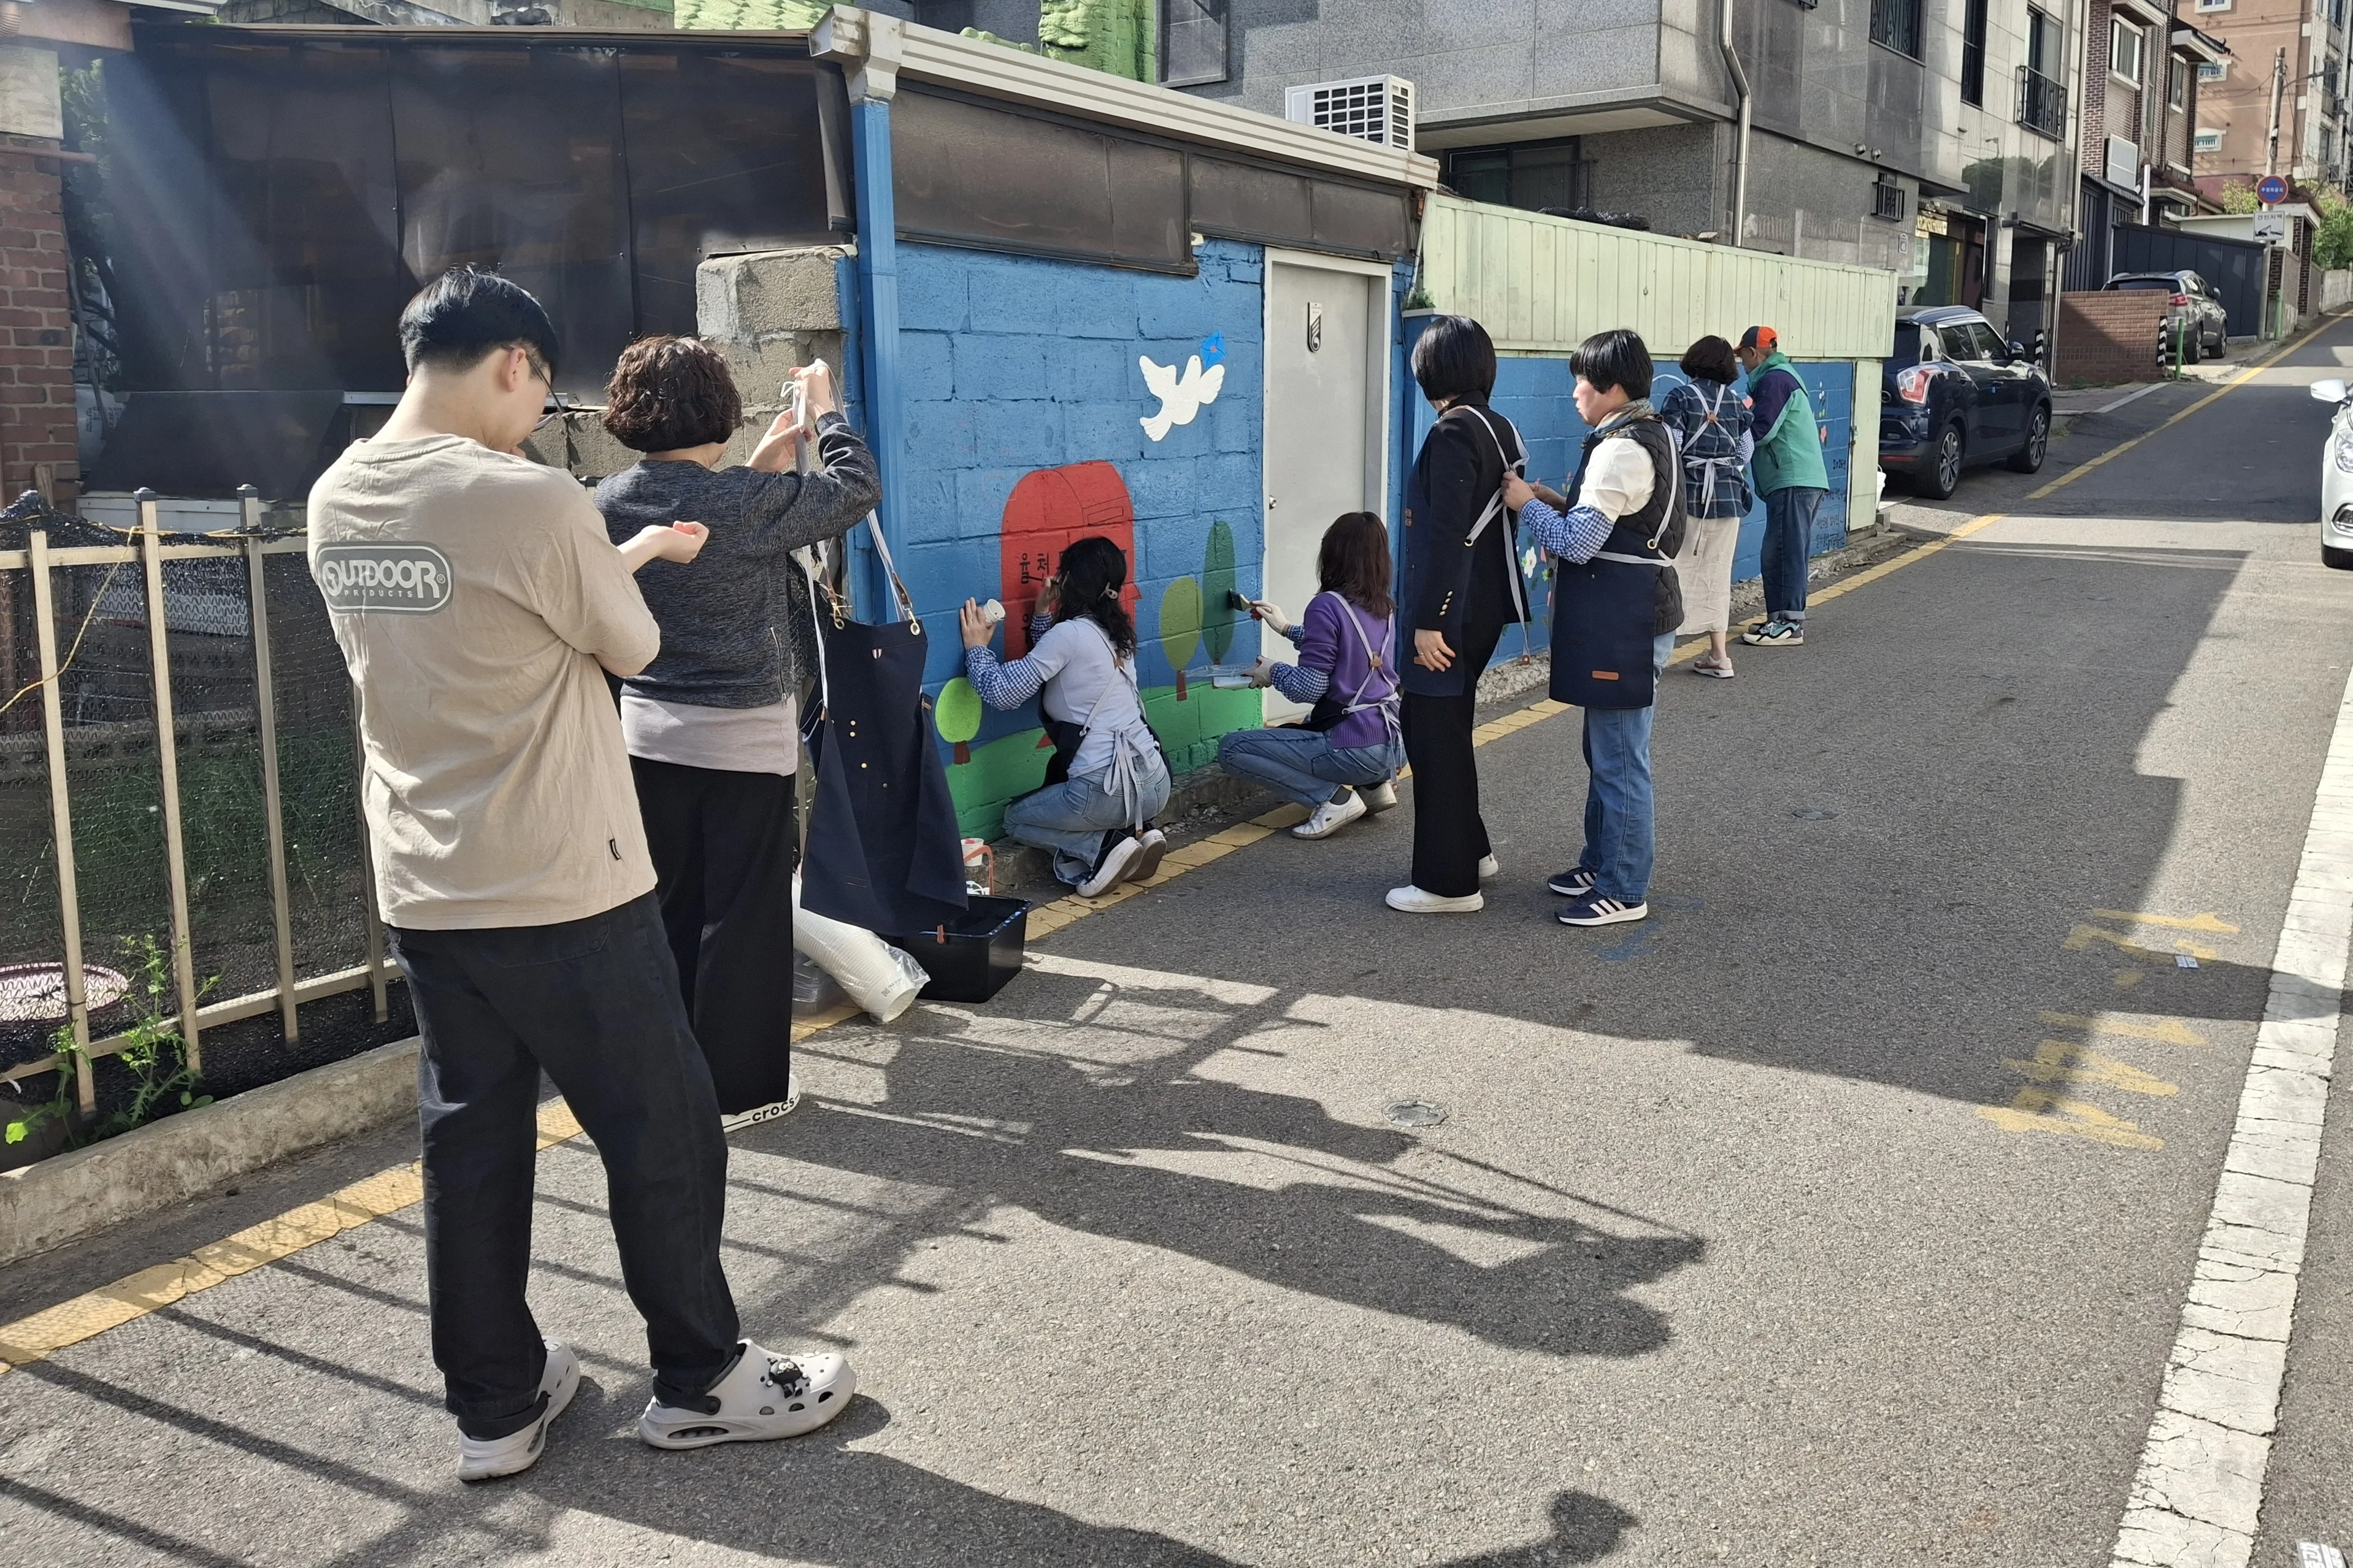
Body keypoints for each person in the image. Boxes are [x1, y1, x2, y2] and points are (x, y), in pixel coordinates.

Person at [307, 267, 856, 1484]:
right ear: (515, 363)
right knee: (664, 1126)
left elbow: (480, 626)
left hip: (427, 881)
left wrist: (641, 541)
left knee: (473, 1143)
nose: (538, 415)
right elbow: (633, 640)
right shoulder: (528, 499)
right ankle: (701, 1378)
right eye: (540, 390)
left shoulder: (337, 495)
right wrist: (640, 559)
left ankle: (495, 1405)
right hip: (560, 876)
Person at [593, 338, 879, 1133]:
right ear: (717, 413)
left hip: (647, 735)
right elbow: (856, 488)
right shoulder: (746, 506)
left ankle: (670, 1076)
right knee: (744, 919)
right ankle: (742, 1092)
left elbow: (699, 525)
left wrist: (756, 468)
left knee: (671, 908)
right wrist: (826, 411)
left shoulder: (604, 501)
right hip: (744, 742)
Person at [1503, 328, 1686, 928]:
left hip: (1624, 620)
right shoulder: (1651, 431)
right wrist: (1557, 502)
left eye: (1581, 380)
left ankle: (1624, 888)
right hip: (1632, 614)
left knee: (1619, 757)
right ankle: (1600, 862)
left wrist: (1526, 504)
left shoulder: (1620, 449)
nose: (1575, 391)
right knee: (1605, 749)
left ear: (1611, 387)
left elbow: (1578, 545)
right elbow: (1618, 523)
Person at [1390, 315, 1527, 914]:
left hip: (1450, 612)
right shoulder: (1499, 427)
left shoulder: (1452, 431)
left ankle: (1447, 884)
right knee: (1446, 730)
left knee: (1431, 735)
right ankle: (1472, 851)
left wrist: (1429, 621)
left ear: (1433, 370)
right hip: (1486, 607)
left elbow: (1446, 535)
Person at [958, 536, 1171, 897]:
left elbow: (1002, 692)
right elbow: (1061, 662)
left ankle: (1102, 848)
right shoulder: (1118, 633)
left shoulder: (1070, 634)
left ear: (1069, 581)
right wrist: (1043, 611)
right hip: (1155, 784)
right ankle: (1136, 833)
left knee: (1015, 820)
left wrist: (977, 648)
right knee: (1093, 800)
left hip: (1105, 793)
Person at [1216, 511, 1406, 840]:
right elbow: (1348, 648)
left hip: (1355, 747)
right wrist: (1285, 628)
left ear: (1333, 554)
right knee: (1314, 722)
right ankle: (1374, 788)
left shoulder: (1326, 605)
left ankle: (1332, 800)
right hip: (1393, 745)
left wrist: (1272, 671)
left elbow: (1310, 687)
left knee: (1233, 748)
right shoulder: (1383, 606)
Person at [1657, 335, 1754, 678]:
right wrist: (1722, 464)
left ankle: (1658, 655)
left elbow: (1672, 446)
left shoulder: (1680, 397)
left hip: (1689, 497)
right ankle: (1719, 656)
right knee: (1717, 572)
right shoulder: (1736, 402)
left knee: (1672, 571)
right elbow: (1745, 452)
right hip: (1728, 499)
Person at [1734, 324, 1829, 648]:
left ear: (1754, 353)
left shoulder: (1775, 380)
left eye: (1743, 356)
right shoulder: (1780, 377)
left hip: (1793, 479)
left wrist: (1726, 444)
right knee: (1780, 551)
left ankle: (1789, 624)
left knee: (1785, 551)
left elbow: (1763, 429)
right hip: (1796, 480)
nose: (1742, 364)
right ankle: (1780, 619)